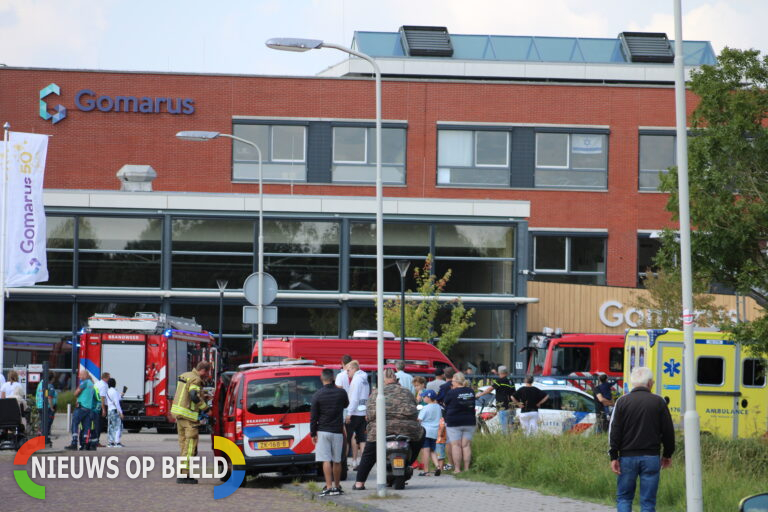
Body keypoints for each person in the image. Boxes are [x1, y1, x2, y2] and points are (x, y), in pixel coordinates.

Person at [609, 367, 675, 512]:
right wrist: (667, 454)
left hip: (627, 458)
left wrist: (614, 456)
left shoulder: (622, 402)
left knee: (624, 498)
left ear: (633, 383)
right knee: (648, 502)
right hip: (651, 457)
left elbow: (615, 431)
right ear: (650, 383)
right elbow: (668, 432)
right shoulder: (659, 402)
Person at [352, 368, 423, 490]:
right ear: (396, 379)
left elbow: (370, 415)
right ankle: (410, 462)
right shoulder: (406, 392)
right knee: (421, 434)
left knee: (368, 454)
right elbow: (415, 411)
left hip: (380, 430)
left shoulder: (376, 393)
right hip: (407, 429)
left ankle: (360, 483)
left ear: (383, 380)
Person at [170, 361, 213, 484]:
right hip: (189, 418)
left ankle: (184, 473)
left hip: (179, 415)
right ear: (203, 370)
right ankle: (184, 476)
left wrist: (203, 395)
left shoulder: (185, 375)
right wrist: (206, 409)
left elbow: (187, 394)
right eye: (208, 372)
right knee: (190, 447)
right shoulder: (196, 379)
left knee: (183, 446)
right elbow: (193, 396)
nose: (207, 375)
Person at [310, 368, 349, 497]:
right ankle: (337, 487)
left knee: (325, 460)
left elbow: (313, 417)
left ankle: (328, 486)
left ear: (322, 379)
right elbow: (346, 404)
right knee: (337, 460)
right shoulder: (341, 392)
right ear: (333, 378)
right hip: (337, 430)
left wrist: (313, 433)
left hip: (323, 431)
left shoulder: (317, 395)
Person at [443, 372, 476, 473]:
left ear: (456, 381)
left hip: (454, 421)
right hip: (469, 421)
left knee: (456, 445)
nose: (452, 383)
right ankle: (466, 469)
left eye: (452, 381)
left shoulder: (452, 392)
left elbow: (445, 403)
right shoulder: (471, 391)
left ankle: (457, 469)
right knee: (466, 445)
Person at [476, 365, 516, 434]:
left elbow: (489, 390)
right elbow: (514, 394)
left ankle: (505, 442)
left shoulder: (500, 381)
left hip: (503, 407)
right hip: (511, 407)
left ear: (499, 372)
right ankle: (511, 441)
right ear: (506, 372)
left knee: (504, 428)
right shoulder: (511, 381)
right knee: (511, 427)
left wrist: (479, 395)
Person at [345, 360, 369, 470]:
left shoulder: (356, 380)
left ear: (354, 369)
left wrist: (349, 413)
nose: (347, 372)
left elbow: (354, 398)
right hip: (363, 411)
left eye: (348, 370)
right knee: (362, 439)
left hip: (354, 412)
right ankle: (364, 464)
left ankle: (343, 463)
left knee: (347, 438)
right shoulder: (365, 379)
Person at [66, 370, 97, 451]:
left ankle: (74, 442)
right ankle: (85, 444)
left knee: (75, 424)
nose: (79, 377)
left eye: (80, 375)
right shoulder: (91, 384)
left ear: (85, 375)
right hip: (88, 409)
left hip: (81, 407)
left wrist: (77, 394)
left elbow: (76, 393)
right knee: (86, 426)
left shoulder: (85, 382)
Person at [417, 389, 442, 476]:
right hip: (434, 431)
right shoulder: (438, 407)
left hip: (426, 431)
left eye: (424, 396)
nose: (423, 398)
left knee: (426, 451)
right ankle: (438, 466)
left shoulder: (425, 408)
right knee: (432, 450)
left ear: (429, 397)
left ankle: (426, 471)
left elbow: (419, 420)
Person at [35, 372, 57, 444]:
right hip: (47, 407)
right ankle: (44, 439)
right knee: (47, 423)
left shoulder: (40, 384)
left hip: (39, 406)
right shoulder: (49, 386)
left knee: (43, 422)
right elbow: (49, 397)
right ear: (51, 378)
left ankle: (41, 438)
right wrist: (51, 408)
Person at [106, 377, 124, 448]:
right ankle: (117, 442)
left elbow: (114, 399)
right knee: (118, 426)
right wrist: (121, 412)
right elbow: (117, 403)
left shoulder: (107, 391)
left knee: (111, 426)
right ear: (114, 384)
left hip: (109, 411)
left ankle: (110, 442)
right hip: (115, 411)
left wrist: (121, 395)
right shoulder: (115, 391)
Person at [95, 372, 110, 448]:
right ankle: (96, 441)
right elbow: (102, 398)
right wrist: (104, 409)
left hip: (95, 406)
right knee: (99, 424)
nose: (109, 378)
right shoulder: (104, 385)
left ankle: (94, 440)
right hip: (100, 407)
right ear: (105, 378)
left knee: (95, 424)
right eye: (108, 377)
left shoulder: (97, 383)